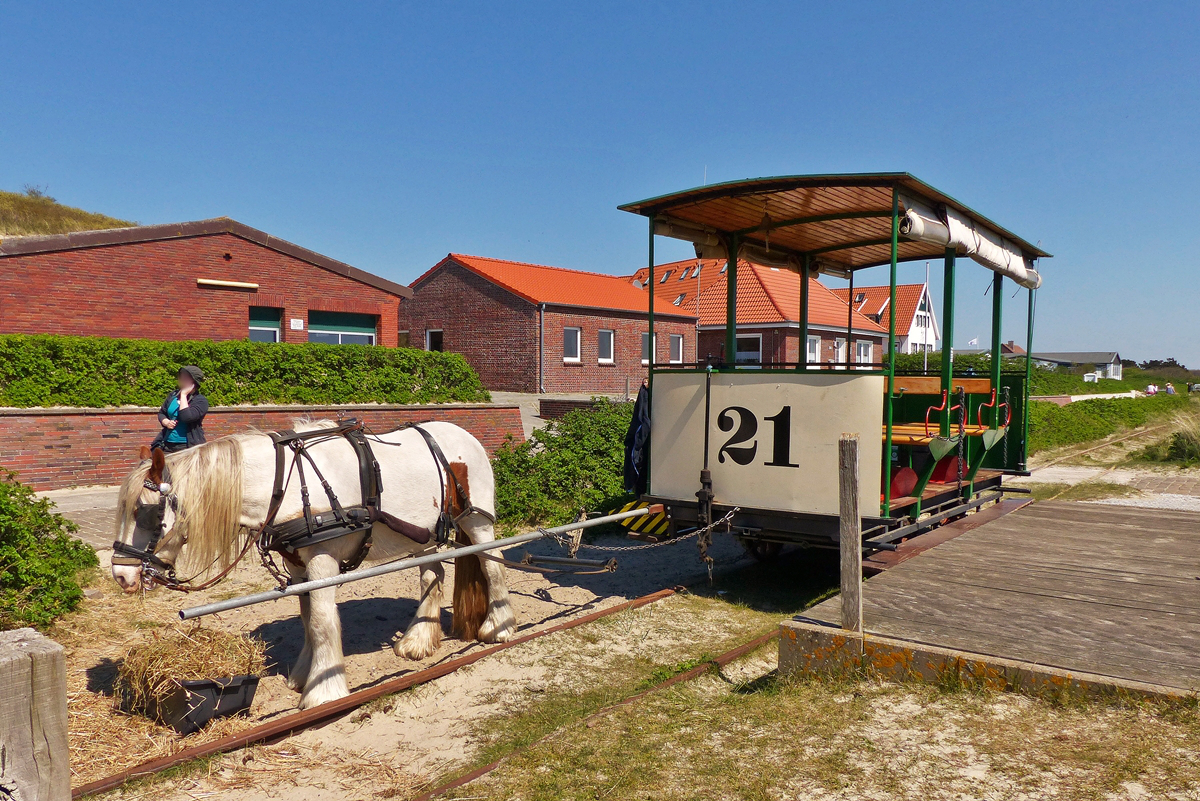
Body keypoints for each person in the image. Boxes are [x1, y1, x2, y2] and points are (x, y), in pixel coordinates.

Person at [151, 366, 209, 452]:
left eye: (185, 377)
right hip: (167, 444)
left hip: (188, 447)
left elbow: (186, 417)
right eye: (180, 376)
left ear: (193, 381)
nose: (181, 379)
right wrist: (166, 422)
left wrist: (184, 395)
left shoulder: (200, 401)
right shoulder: (173, 395)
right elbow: (162, 413)